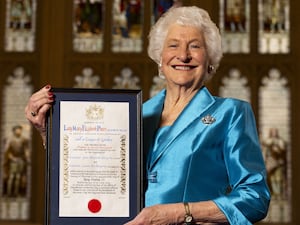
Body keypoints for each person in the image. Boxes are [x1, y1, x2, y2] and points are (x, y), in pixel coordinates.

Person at [25, 6, 270, 225]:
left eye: (195, 46)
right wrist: (50, 131)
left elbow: (255, 198)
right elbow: (94, 171)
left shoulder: (231, 113)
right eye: (173, 45)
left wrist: (179, 213)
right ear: (160, 59)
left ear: (210, 61)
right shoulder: (132, 116)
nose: (183, 55)